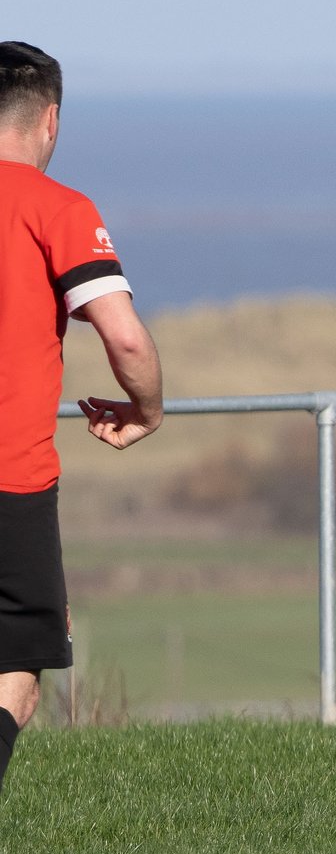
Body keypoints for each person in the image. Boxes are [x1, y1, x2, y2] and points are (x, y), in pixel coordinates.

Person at [0, 43, 163, 798]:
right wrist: (148, 410)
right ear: (51, 120)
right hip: (11, 485)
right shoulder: (57, 208)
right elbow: (124, 336)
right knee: (13, 684)